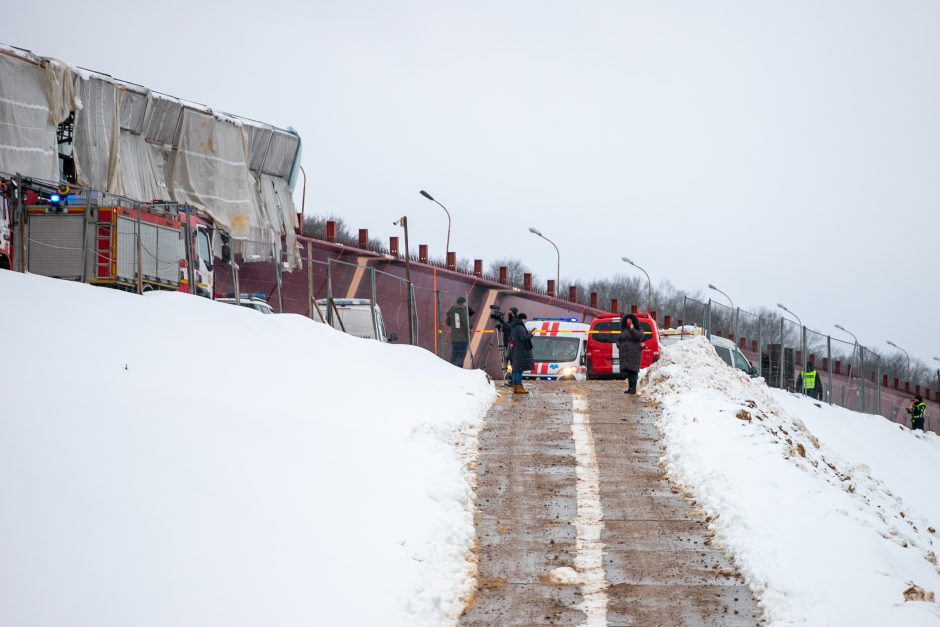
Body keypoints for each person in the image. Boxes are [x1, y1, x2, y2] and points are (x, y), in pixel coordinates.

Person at [616, 313, 644, 394]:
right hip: (625, 354)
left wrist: (632, 329)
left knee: (633, 371)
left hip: (634, 354)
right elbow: (619, 339)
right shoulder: (623, 330)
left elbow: (639, 337)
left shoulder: (638, 329)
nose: (628, 322)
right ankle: (630, 388)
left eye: (630, 321)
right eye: (627, 321)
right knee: (628, 371)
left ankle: (633, 388)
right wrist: (619, 345)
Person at [509, 312, 534, 395]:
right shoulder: (519, 327)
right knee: (519, 370)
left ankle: (515, 387)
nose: (525, 321)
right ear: (522, 319)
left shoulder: (514, 326)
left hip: (516, 350)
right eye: (525, 319)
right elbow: (523, 338)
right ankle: (519, 388)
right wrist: (531, 334)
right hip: (521, 351)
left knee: (516, 370)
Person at [445, 296, 474, 367]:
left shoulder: (451, 310)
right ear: (464, 303)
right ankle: (459, 371)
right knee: (461, 356)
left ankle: (451, 370)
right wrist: (470, 326)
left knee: (454, 356)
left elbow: (448, 322)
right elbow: (465, 322)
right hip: (463, 338)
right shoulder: (463, 310)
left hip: (454, 338)